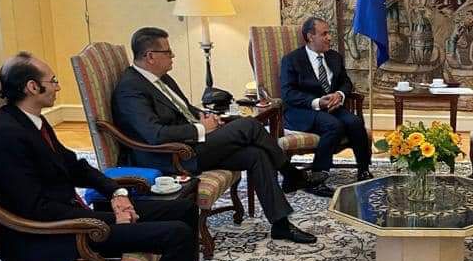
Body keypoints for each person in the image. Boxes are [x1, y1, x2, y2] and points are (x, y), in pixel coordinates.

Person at [0, 52, 210, 261]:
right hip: (50, 236)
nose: (58, 87)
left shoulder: (32, 121)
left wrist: (117, 194)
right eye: (53, 81)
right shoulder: (6, 136)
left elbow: (74, 165)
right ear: (32, 87)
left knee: (183, 208)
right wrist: (105, 221)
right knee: (176, 235)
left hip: (71, 217)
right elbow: (34, 208)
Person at [112, 27, 321, 244]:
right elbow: (154, 134)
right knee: (249, 125)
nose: (173, 55)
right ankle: (292, 175)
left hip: (192, 145)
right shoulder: (130, 89)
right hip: (172, 156)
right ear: (150, 56)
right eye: (168, 51)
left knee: (256, 154)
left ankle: (281, 225)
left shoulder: (162, 79)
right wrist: (202, 128)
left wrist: (206, 117)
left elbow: (185, 109)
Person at [279, 16, 373, 193]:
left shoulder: (334, 57)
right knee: (333, 125)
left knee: (355, 122)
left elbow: (346, 83)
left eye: (329, 33)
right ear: (310, 37)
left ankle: (363, 170)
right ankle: (317, 178)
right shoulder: (291, 60)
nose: (329, 37)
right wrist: (317, 102)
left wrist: (339, 94)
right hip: (303, 110)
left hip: (332, 107)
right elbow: (288, 93)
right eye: (324, 34)